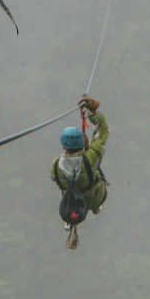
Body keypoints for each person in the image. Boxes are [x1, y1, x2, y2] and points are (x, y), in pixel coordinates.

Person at [53, 96, 108, 249]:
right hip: (94, 198)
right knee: (95, 188)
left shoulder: (56, 164)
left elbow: (54, 177)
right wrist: (94, 112)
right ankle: (95, 208)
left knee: (69, 190)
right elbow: (103, 132)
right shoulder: (91, 158)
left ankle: (71, 220)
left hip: (70, 200)